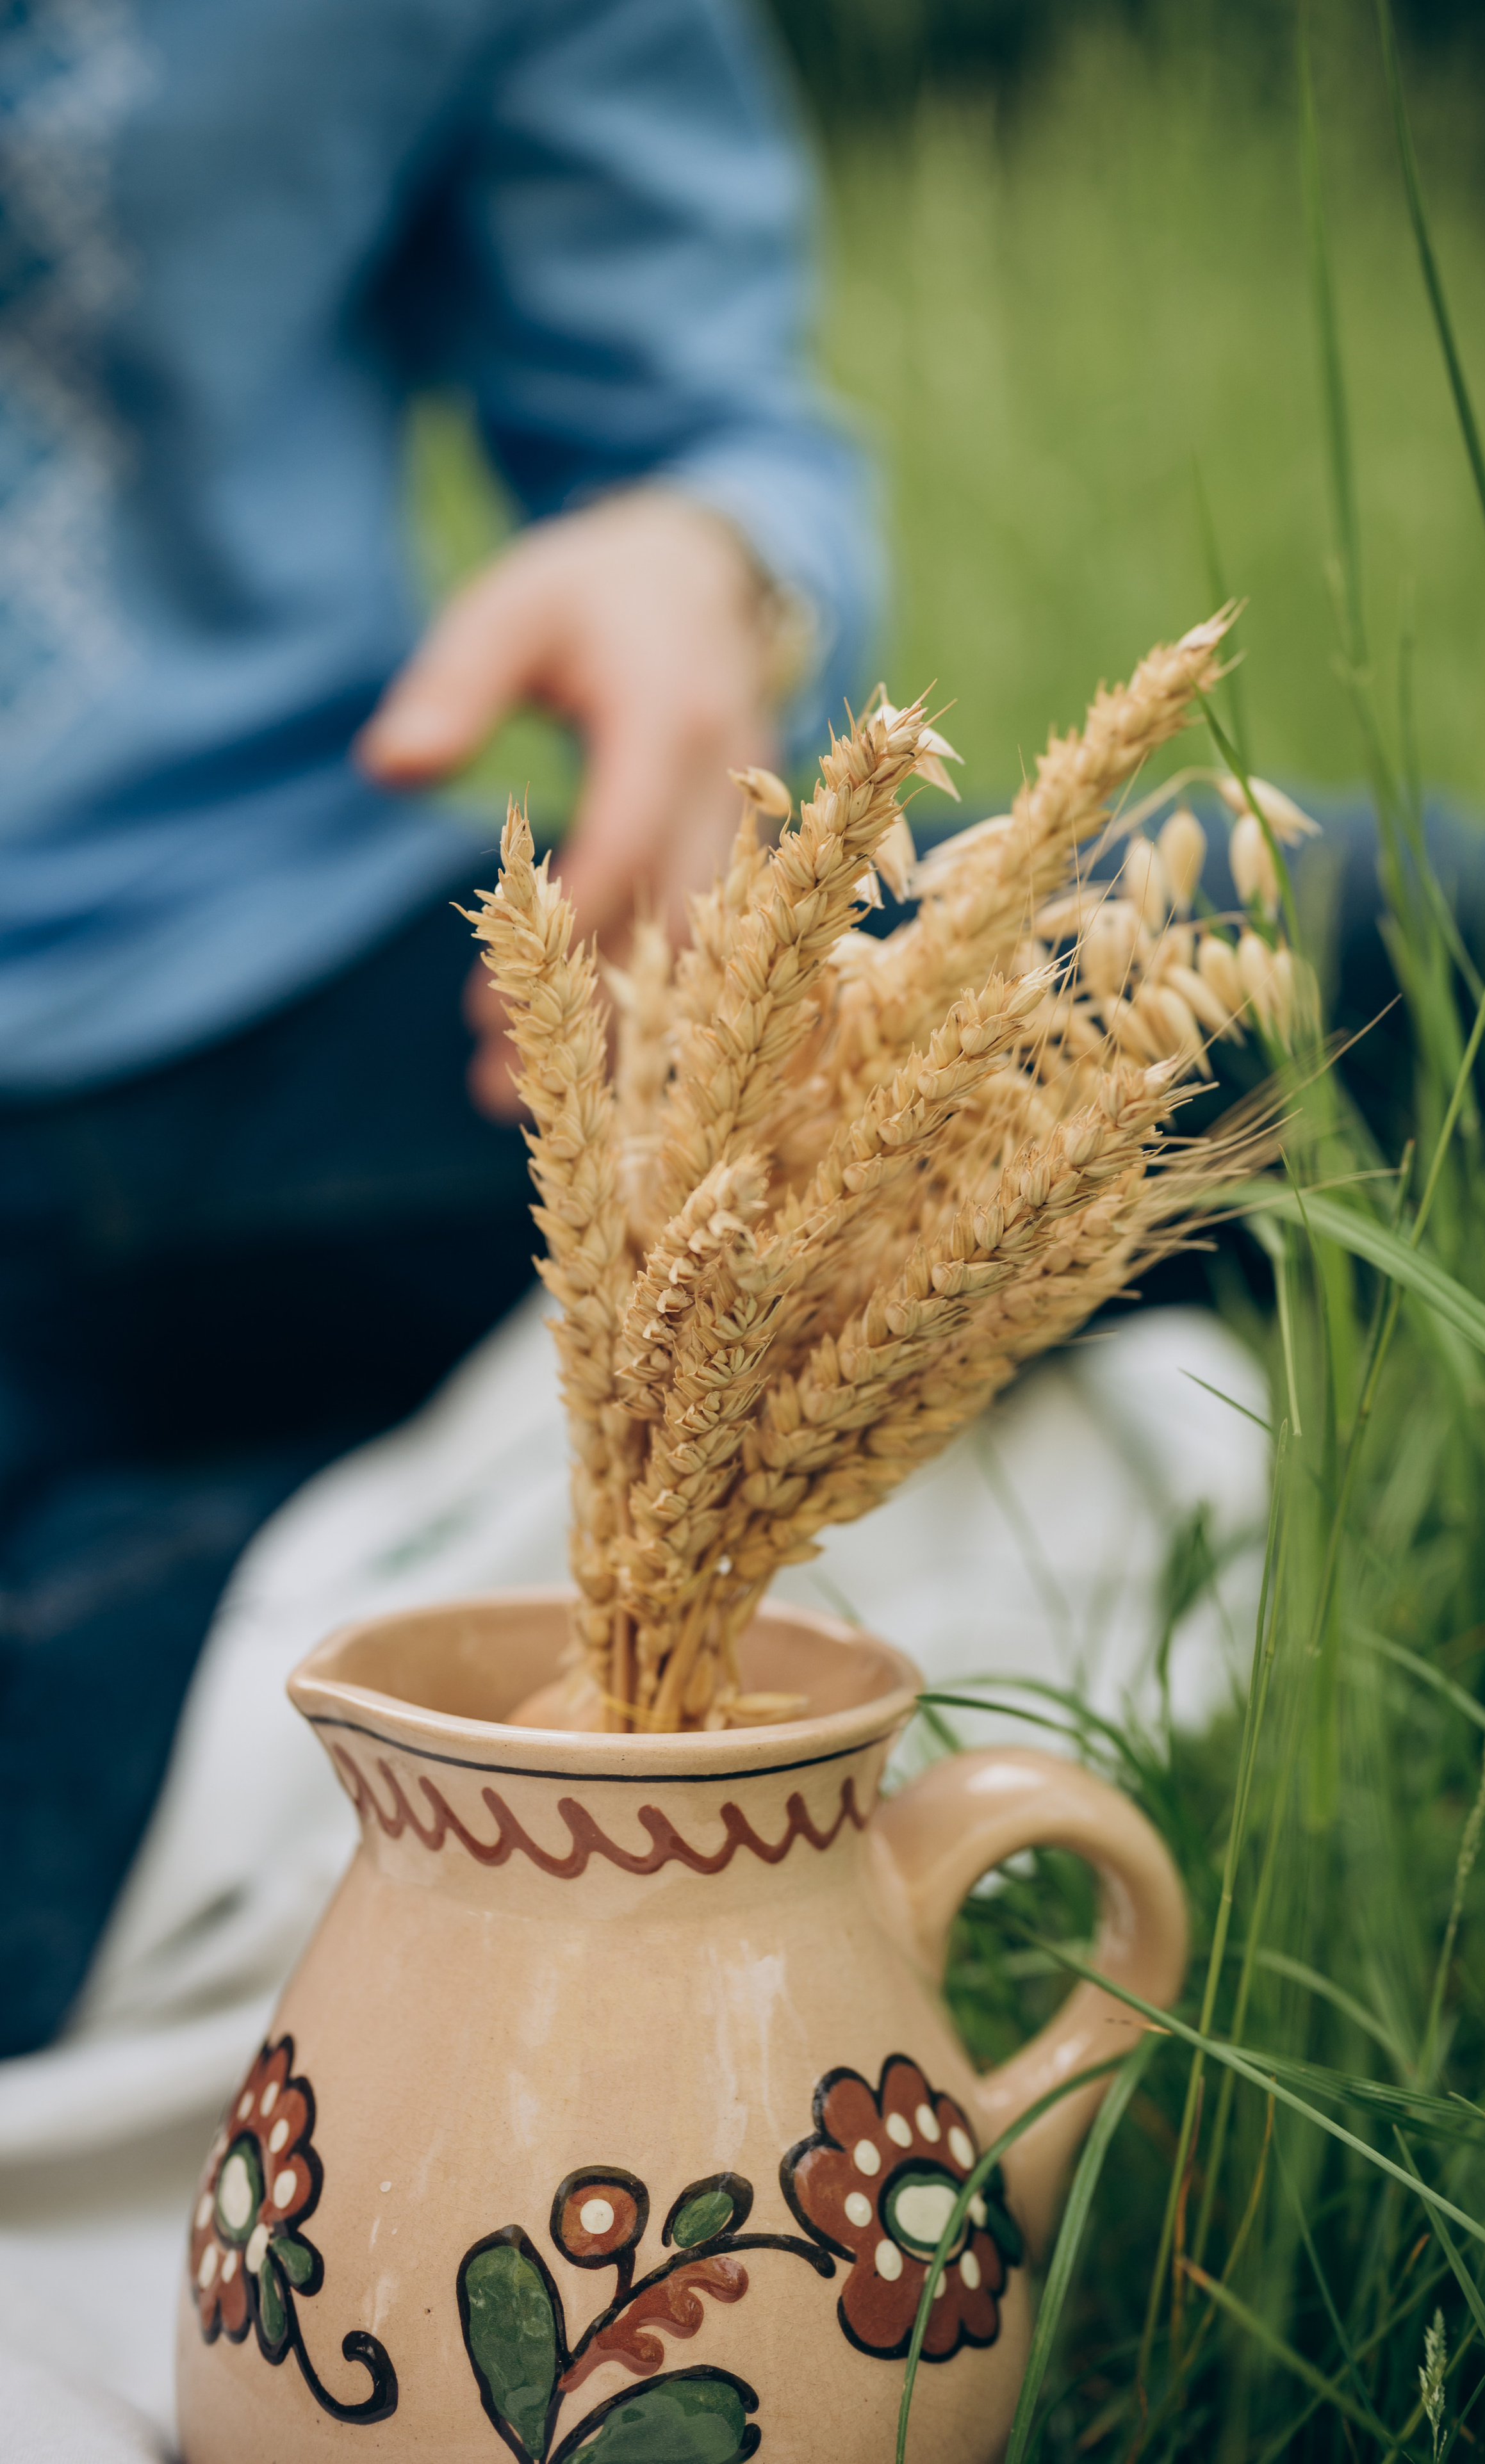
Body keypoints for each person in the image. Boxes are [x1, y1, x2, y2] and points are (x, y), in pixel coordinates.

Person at [0, 0, 876, 2060]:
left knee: (1375, 946)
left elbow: (712, 423)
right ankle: (330, 1590)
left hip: (354, 988)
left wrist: (702, 565)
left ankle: (217, 1630)